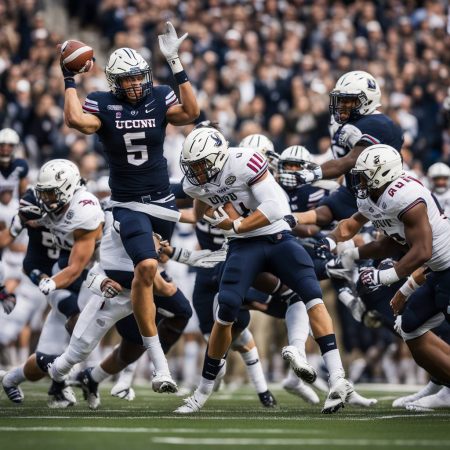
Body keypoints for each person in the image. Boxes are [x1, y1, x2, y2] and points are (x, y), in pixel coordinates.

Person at [59, 22, 200, 391]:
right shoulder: (103, 103)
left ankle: (98, 371)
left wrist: (174, 60)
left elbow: (191, 112)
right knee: (148, 266)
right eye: (127, 80)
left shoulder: (159, 94)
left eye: (139, 77)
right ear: (112, 81)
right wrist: (68, 79)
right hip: (128, 203)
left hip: (163, 202)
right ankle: (159, 368)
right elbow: (75, 120)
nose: (135, 85)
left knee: (153, 276)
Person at [174, 126, 353, 414]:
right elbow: (199, 210)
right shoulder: (197, 182)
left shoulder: (245, 160)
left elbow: (275, 206)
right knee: (226, 309)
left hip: (278, 235)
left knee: (311, 293)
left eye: (201, 164)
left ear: (219, 157)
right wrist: (212, 216)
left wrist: (235, 225)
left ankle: (338, 379)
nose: (197, 171)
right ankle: (203, 391)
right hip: (243, 246)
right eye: (192, 165)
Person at [322, 144, 450, 386]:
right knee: (409, 326)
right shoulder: (374, 197)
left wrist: (385, 278)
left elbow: (423, 250)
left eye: (364, 175)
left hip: (443, 267)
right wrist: (350, 254)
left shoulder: (405, 195)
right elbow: (388, 244)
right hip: (434, 273)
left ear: (382, 173)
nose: (359, 181)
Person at [2, 160, 104, 407]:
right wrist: (43, 281)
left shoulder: (82, 208)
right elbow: (13, 241)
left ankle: (12, 379)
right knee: (78, 320)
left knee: (44, 359)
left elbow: (79, 261)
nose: (45, 199)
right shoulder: (32, 205)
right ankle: (75, 378)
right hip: (53, 273)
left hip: (78, 271)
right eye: (43, 193)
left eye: (51, 193)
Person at [292, 71, 403, 228]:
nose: (341, 105)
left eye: (348, 100)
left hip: (379, 197)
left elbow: (348, 161)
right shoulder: (349, 124)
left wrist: (310, 175)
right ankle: (287, 220)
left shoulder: (379, 124)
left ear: (367, 100)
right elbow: (336, 158)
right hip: (353, 190)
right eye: (340, 99)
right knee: (325, 212)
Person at [0, 128, 28, 199]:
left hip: (15, 208)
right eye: (2, 145)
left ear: (15, 147)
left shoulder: (21, 165)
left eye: (10, 145)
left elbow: (23, 192)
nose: (5, 150)